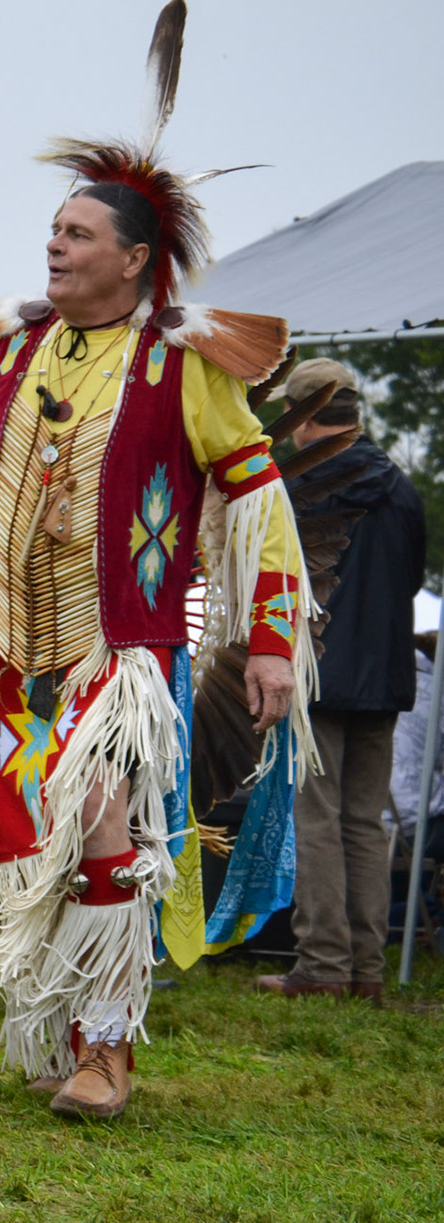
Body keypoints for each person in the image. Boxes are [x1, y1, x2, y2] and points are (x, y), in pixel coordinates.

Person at [0, 112, 315, 1116]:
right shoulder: (6, 347)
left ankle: (108, 1051)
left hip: (116, 651)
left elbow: (256, 498)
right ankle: (47, 1031)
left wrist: (274, 639)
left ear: (136, 259)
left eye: (78, 234)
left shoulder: (184, 364)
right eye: (53, 229)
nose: (55, 245)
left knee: (99, 821)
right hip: (0, 650)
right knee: (27, 842)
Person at [259, 359, 425, 1002]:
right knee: (363, 821)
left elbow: (278, 580)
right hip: (384, 676)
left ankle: (323, 965)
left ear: (304, 416)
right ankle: (366, 971)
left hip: (321, 672)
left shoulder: (298, 487)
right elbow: (410, 583)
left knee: (319, 819)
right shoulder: (402, 488)